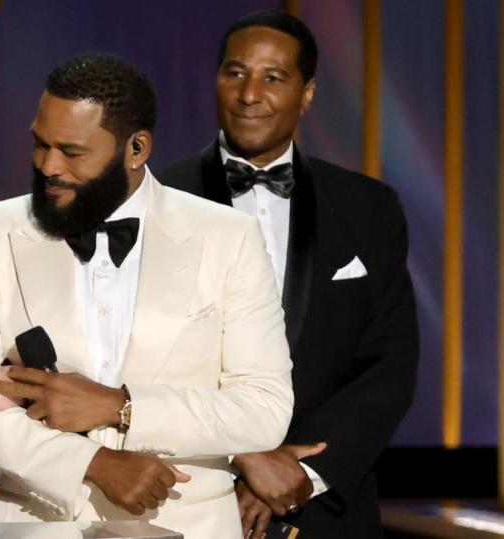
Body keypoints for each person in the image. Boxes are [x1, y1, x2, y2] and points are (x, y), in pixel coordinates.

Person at [0, 52, 294, 537]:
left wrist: (121, 407)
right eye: (40, 145)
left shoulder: (227, 237)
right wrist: (91, 462)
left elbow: (264, 408)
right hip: (37, 520)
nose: (48, 166)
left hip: (188, 521)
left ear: (136, 149)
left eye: (72, 151)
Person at [160, 11, 419, 539]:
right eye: (235, 73)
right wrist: (243, 458)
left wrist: (303, 471)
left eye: (273, 77)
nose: (249, 93)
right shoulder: (155, 200)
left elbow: (390, 361)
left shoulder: (369, 207)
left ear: (307, 93)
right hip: (187, 497)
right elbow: (142, 359)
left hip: (326, 510)